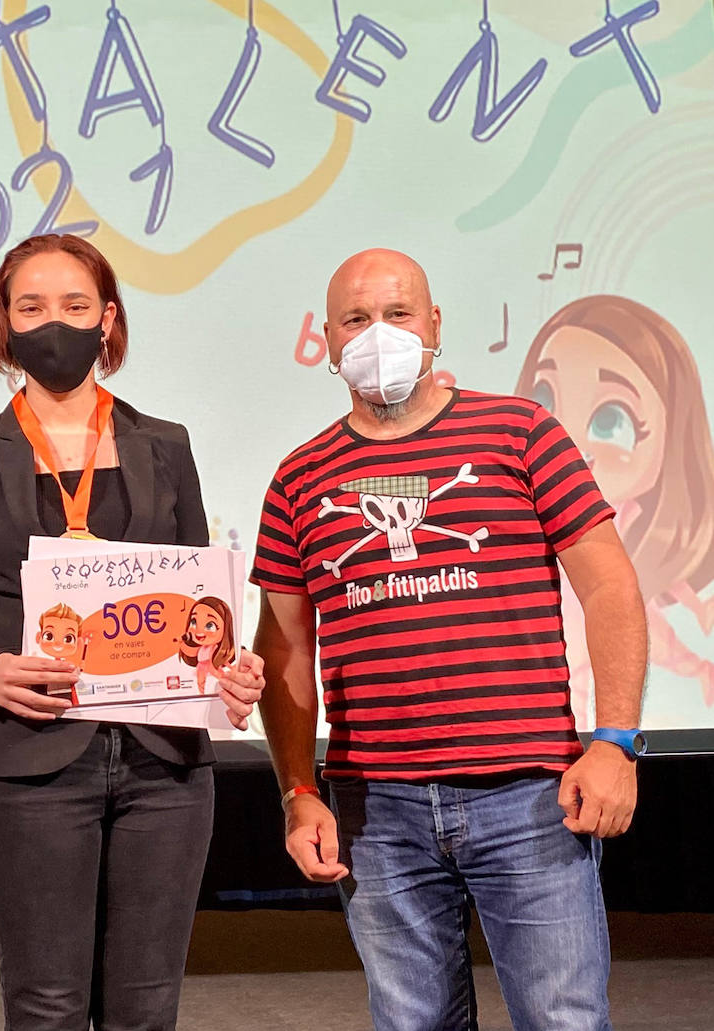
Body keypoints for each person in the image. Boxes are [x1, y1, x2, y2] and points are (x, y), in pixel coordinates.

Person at [247, 249, 647, 1031]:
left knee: (563, 1020)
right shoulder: (299, 477)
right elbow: (287, 651)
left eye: (397, 314)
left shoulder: (520, 431)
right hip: (377, 812)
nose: (378, 333)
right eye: (356, 320)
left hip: (532, 796)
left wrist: (616, 740)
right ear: (327, 341)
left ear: (434, 324)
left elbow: (610, 587)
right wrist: (299, 792)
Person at [0, 233, 264, 1031]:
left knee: (144, 1010)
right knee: (47, 1009)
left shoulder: (165, 445)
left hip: (165, 768)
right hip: (33, 765)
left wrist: (230, 669)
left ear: (108, 318)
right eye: (30, 306)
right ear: (4, 322)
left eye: (73, 304)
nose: (52, 322)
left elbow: (204, 603)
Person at [516, 296, 714, 711]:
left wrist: (697, 611)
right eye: (545, 399)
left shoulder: (638, 524)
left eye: (611, 418)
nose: (567, 438)